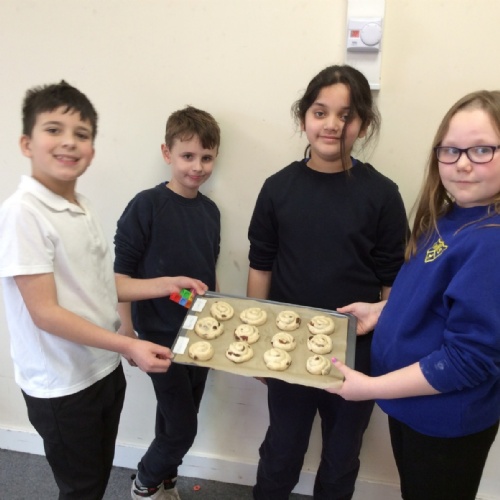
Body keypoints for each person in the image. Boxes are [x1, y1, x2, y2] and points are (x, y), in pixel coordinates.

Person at [0, 81, 207, 500]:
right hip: (63, 385)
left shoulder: (82, 207)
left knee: (96, 476)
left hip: (102, 369)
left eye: (81, 134)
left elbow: (102, 285)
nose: (68, 142)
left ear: (92, 149)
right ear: (26, 143)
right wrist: (128, 342)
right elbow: (45, 313)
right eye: (53, 130)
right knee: (83, 488)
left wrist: (166, 284)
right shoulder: (22, 214)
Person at [328, 89, 500, 500]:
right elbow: (438, 299)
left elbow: (469, 359)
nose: (462, 163)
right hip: (413, 407)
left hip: (445, 421)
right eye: (450, 150)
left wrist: (370, 388)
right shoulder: (454, 214)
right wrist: (383, 311)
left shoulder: (492, 243)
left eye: (482, 150)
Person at [247, 65, 409, 500]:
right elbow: (261, 266)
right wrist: (257, 345)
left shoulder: (382, 194)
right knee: (282, 449)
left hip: (357, 353)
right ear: (304, 117)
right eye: (321, 112)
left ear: (364, 125)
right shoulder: (277, 188)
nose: (332, 125)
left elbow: (392, 279)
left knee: (342, 454)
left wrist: (387, 350)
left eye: (346, 115)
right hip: (286, 348)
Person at [113, 105, 221, 500]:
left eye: (206, 157)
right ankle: (145, 481)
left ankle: (165, 480)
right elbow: (119, 278)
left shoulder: (210, 211)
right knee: (182, 428)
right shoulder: (147, 205)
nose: (197, 166)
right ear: (167, 153)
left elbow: (209, 274)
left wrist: (220, 325)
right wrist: (127, 330)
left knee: (176, 416)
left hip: (200, 336)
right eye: (187, 155)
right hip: (158, 335)